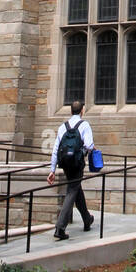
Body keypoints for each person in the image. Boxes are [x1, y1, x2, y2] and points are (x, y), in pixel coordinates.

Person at [46, 100, 95, 239]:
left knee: (75, 188)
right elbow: (89, 145)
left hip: (65, 163)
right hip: (77, 163)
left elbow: (56, 149)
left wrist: (52, 170)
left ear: (70, 111)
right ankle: (60, 228)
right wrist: (91, 149)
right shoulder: (84, 125)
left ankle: (87, 219)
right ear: (82, 111)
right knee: (72, 190)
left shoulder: (63, 127)